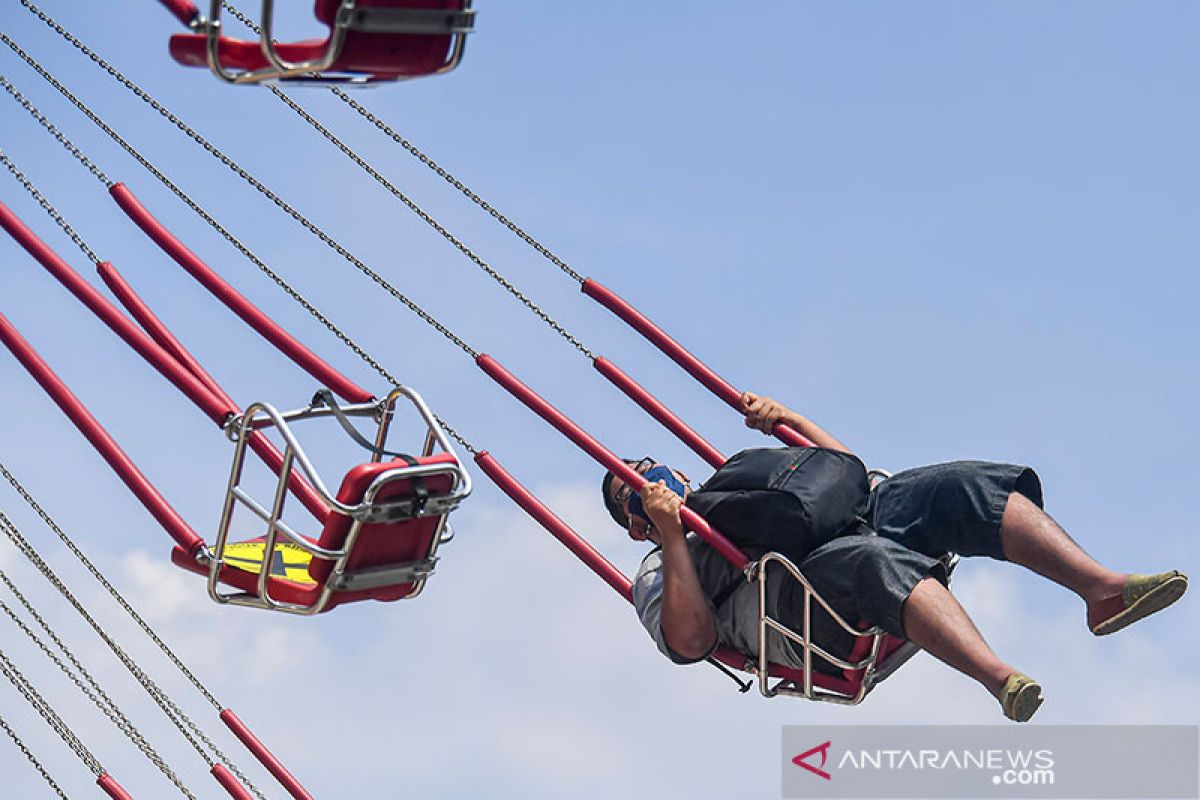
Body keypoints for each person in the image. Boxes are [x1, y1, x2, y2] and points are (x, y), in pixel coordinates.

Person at [601, 392, 1188, 722]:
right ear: (634, 527)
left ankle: (1100, 589)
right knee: (871, 560)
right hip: (805, 606)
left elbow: (846, 482)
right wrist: (673, 536)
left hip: (852, 526)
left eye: (648, 470)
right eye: (632, 492)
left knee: (957, 486)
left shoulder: (732, 482)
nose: (648, 484)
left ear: (674, 469)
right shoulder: (656, 570)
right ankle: (999, 678)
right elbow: (690, 641)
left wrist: (794, 424)